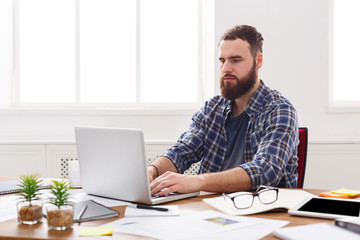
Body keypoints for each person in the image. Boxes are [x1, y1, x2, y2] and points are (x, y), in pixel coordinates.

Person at [148, 25, 299, 196]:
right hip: (211, 212)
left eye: (235, 60)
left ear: (258, 61)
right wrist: (152, 171)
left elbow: (266, 170)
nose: (226, 68)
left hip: (264, 213)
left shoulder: (280, 110)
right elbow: (181, 152)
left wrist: (198, 182)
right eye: (222, 60)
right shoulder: (211, 110)